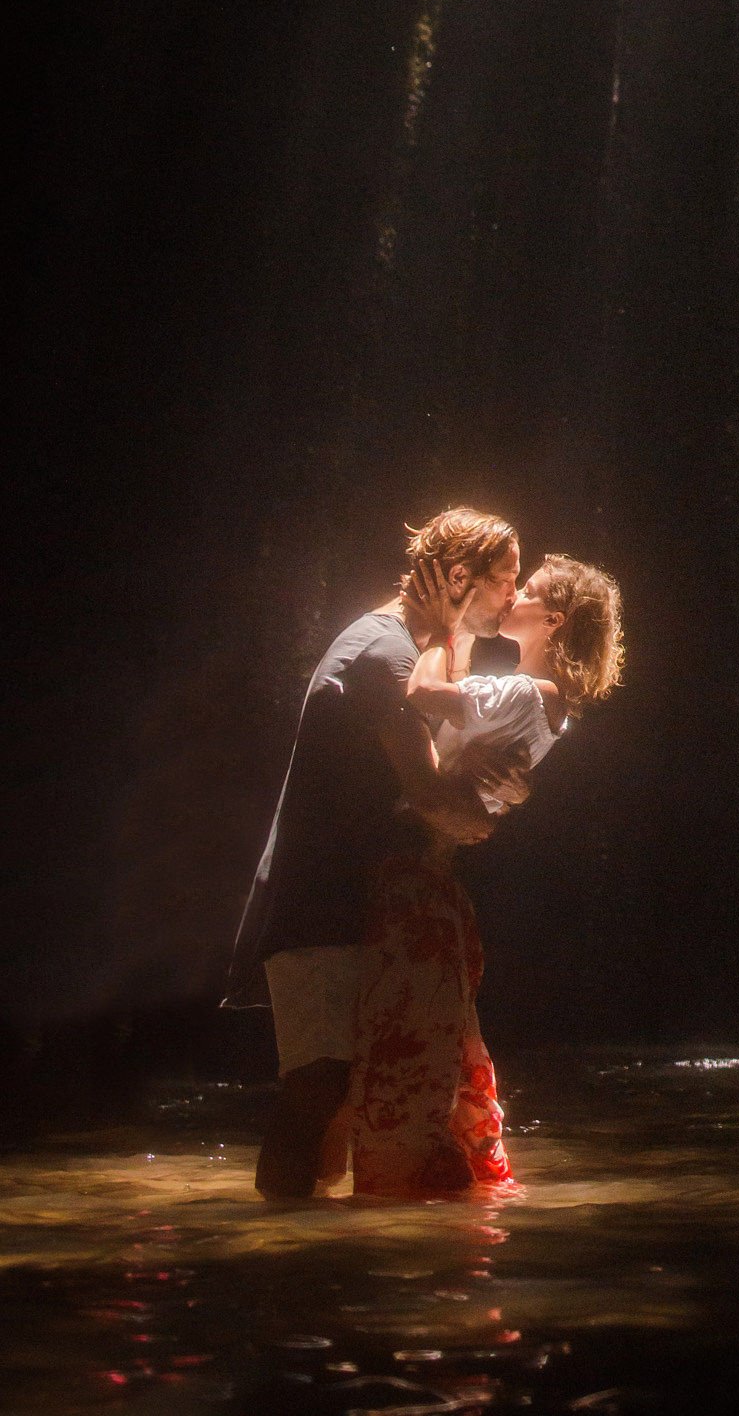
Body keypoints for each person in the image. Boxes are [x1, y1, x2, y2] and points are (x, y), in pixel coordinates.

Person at [231, 506, 522, 1200]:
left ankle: (323, 1267)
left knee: (351, 1092)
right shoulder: (384, 652)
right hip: (319, 905)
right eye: (505, 581)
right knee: (319, 1087)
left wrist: (453, 632)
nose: (514, 599)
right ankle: (278, 1256)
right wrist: (477, 818)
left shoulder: (408, 648)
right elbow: (427, 794)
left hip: (351, 905)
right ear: (459, 576)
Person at [347, 552, 626, 1198]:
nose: (511, 596)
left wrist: (450, 626)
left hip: (416, 892)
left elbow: (420, 693)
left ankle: (411, 1232)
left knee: (410, 1078)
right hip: (444, 894)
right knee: (448, 1078)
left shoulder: (524, 692)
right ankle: (464, 1234)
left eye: (524, 590)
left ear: (552, 621)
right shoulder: (556, 708)